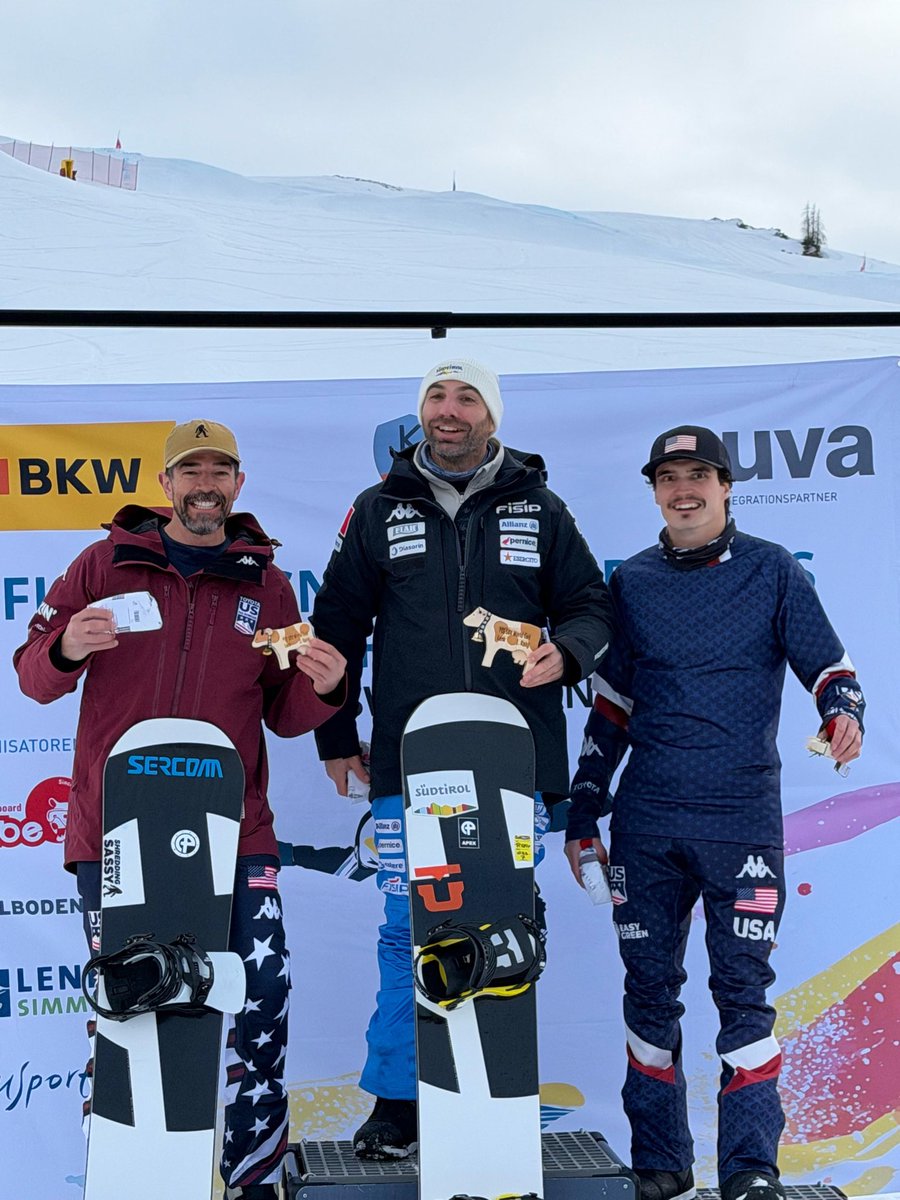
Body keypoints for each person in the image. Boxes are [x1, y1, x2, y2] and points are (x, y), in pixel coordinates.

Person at [14, 418, 347, 1200]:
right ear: (166, 484)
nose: (205, 485)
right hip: (117, 827)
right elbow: (32, 675)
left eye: (219, 472)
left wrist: (327, 689)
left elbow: (285, 712)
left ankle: (253, 1173)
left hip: (236, 829)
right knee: (131, 995)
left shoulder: (267, 585)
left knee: (261, 993)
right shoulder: (103, 564)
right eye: (190, 472)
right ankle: (128, 1173)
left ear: (238, 484)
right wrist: (65, 648)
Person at [311, 358, 615, 1159]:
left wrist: (569, 652)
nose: (449, 411)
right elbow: (335, 628)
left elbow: (591, 605)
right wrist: (335, 736)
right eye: (436, 398)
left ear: (492, 414)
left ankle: (496, 1088)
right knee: (403, 929)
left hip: (514, 762)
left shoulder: (540, 508)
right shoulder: (377, 508)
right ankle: (397, 1101)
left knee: (505, 921)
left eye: (466, 397)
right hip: (409, 764)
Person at [565, 425, 865, 1200]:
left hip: (740, 820)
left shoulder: (772, 569)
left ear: (726, 486)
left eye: (698, 475)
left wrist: (843, 712)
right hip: (648, 822)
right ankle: (661, 1166)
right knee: (647, 993)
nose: (684, 490)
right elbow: (612, 708)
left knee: (742, 994)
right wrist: (583, 813)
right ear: (654, 492)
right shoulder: (632, 580)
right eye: (669, 478)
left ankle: (750, 1170)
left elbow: (829, 667)